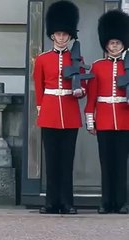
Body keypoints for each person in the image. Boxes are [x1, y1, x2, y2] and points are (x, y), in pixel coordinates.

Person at [33, 0, 86, 214]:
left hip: (70, 113)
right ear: (52, 35)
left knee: (67, 161)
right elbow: (39, 87)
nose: (62, 38)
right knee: (52, 161)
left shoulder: (77, 58)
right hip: (50, 112)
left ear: (70, 36)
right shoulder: (43, 59)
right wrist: (40, 109)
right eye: (58, 34)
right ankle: (51, 202)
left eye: (65, 34)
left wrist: (81, 91)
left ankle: (67, 202)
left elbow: (84, 84)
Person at [85, 10, 129, 214]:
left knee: (121, 164)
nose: (114, 46)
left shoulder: (127, 67)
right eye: (111, 43)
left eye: (118, 43)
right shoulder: (97, 66)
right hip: (103, 119)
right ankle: (106, 201)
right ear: (106, 44)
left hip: (124, 119)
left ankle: (121, 202)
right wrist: (90, 120)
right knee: (106, 163)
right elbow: (91, 97)